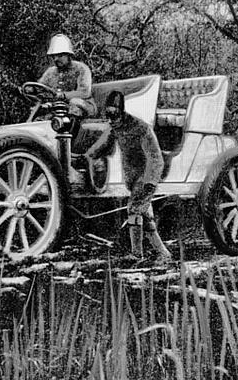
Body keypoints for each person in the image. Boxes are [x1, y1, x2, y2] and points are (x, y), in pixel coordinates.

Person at [85, 91, 172, 264]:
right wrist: (85, 157)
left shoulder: (141, 128)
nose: (111, 120)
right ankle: (164, 253)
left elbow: (156, 158)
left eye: (114, 115)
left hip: (145, 178)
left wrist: (150, 182)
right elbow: (100, 147)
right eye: (107, 116)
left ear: (121, 112)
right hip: (133, 179)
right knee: (145, 218)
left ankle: (136, 255)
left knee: (133, 211)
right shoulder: (114, 128)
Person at [38, 33, 97, 136]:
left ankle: (69, 143)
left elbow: (84, 93)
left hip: (83, 105)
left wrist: (64, 95)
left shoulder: (81, 68)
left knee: (74, 105)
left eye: (60, 55)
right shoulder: (50, 72)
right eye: (54, 56)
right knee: (40, 113)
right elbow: (40, 88)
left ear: (68, 55)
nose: (56, 59)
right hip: (57, 107)